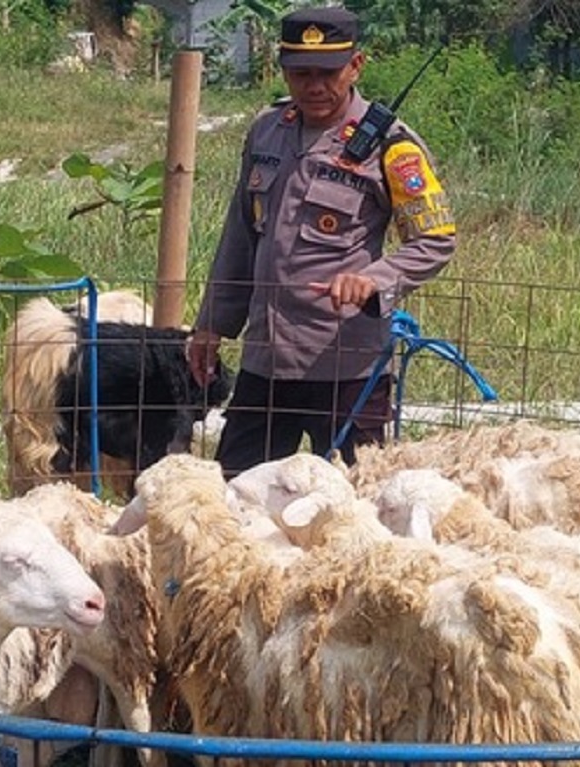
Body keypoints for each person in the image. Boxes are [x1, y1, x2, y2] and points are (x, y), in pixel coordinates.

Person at [187, 6, 456, 475]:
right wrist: (212, 323)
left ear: (356, 66)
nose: (315, 86)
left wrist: (374, 279)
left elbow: (435, 238)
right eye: (301, 73)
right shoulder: (267, 132)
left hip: (346, 365)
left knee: (362, 503)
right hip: (267, 359)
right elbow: (241, 234)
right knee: (234, 494)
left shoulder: (391, 145)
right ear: (283, 68)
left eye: (328, 73)